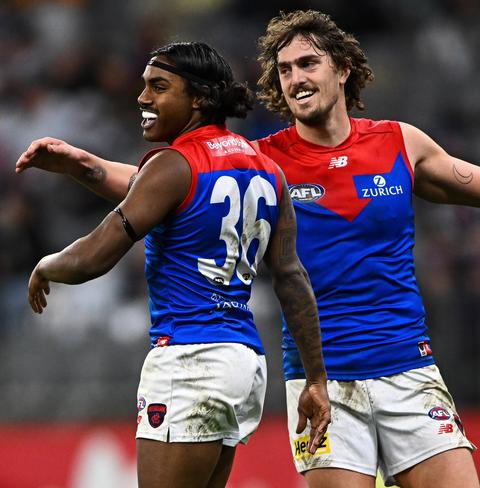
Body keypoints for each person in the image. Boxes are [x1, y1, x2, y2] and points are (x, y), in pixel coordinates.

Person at [16, 10, 480, 488]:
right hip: (322, 380)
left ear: (343, 69)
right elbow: (164, 191)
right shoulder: (264, 158)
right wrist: (82, 165)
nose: (295, 79)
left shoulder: (398, 143)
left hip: (408, 367)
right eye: (284, 70)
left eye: (308, 64)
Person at [21, 41, 330, 488]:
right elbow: (291, 277)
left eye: (159, 87)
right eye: (145, 86)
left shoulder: (173, 164)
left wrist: (47, 264)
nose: (143, 98)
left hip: (189, 360)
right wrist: (315, 378)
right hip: (243, 362)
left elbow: (94, 256)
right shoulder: (267, 170)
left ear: (199, 98)